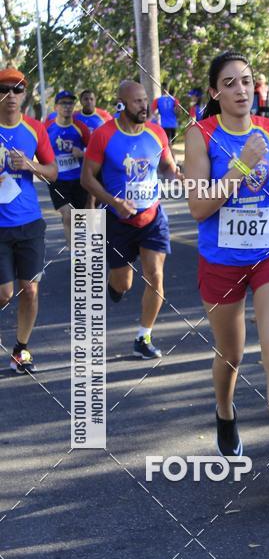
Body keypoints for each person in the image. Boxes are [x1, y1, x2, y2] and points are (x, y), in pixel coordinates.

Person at [185, 51, 269, 494]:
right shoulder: (201, 135)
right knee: (231, 354)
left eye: (246, 81)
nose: (241, 90)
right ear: (215, 92)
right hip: (221, 257)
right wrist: (240, 164)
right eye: (230, 83)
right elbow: (198, 207)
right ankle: (224, 411)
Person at [81, 80, 181, 359]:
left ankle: (143, 337)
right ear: (122, 104)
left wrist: (177, 175)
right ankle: (114, 285)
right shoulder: (104, 135)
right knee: (122, 283)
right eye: (137, 101)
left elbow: (167, 166)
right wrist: (114, 202)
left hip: (152, 218)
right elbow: (87, 178)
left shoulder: (157, 132)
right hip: (118, 221)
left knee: (155, 276)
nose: (144, 106)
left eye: (145, 100)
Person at [0, 68, 57, 373]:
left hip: (29, 223)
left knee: (30, 290)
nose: (10, 95)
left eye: (17, 89)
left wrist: (30, 165)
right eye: (4, 89)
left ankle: (21, 349)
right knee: (5, 293)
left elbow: (53, 172)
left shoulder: (35, 129)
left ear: (24, 95)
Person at [45, 90, 90, 247]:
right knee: (68, 214)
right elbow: (38, 150)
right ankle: (74, 253)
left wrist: (82, 153)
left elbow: (94, 152)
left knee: (81, 216)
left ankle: (85, 250)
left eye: (70, 103)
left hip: (78, 178)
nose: (67, 106)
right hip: (57, 179)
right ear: (56, 107)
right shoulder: (47, 128)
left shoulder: (81, 128)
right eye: (63, 103)